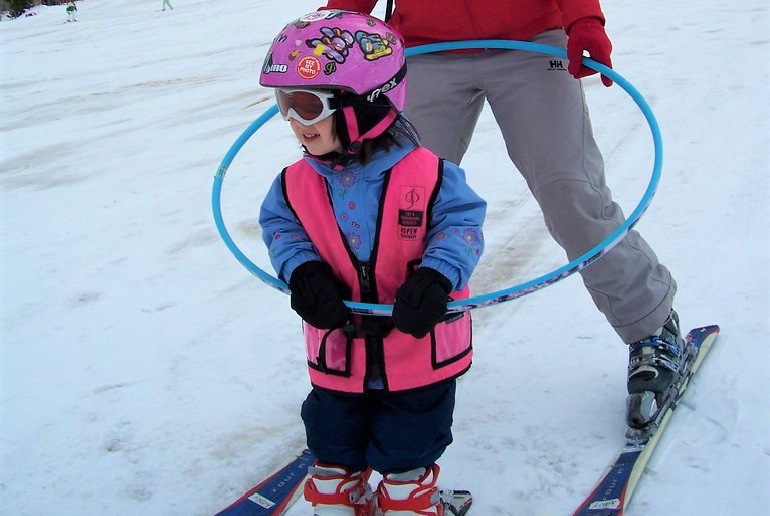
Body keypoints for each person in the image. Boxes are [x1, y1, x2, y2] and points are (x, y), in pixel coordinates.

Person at [323, 0, 692, 432]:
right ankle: (381, 352)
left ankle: (651, 326)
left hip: (531, 43)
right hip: (425, 48)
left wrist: (585, 21)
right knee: (394, 202)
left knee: (569, 191)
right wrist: (335, 37)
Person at [258, 10, 486, 516]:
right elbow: (281, 227)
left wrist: (437, 276)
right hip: (339, 349)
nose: (294, 120)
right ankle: (339, 497)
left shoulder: (430, 176)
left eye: (306, 104)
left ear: (367, 102)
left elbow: (462, 227)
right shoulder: (294, 182)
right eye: (284, 103)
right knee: (332, 436)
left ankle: (407, 499)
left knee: (410, 442)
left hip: (416, 348)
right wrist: (301, 270)